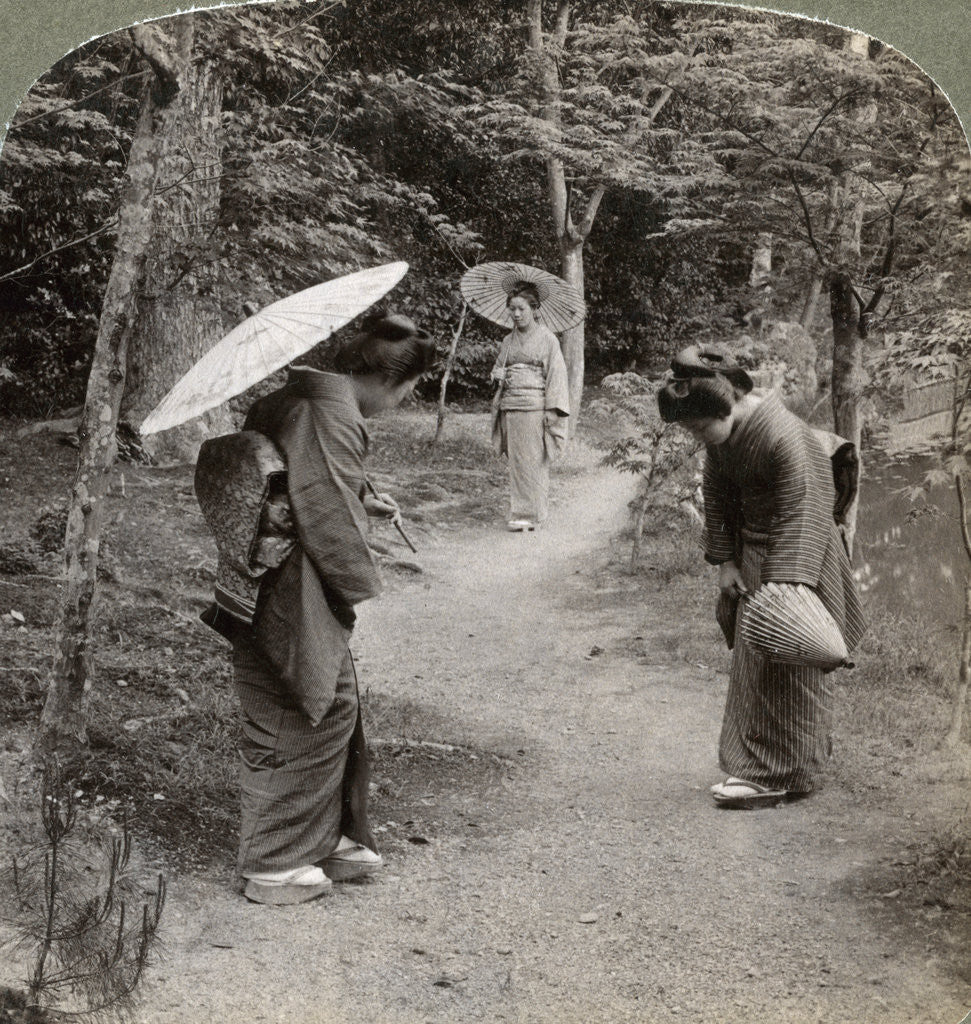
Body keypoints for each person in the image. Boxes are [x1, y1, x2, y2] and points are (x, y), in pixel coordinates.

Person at [195, 313, 435, 903]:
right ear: (390, 379)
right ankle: (274, 862)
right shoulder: (329, 413)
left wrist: (360, 499)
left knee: (330, 699)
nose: (403, 401)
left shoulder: (288, 398)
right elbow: (324, 513)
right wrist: (355, 579)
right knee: (304, 705)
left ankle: (324, 838)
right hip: (289, 578)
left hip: (262, 570)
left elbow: (297, 482)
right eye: (408, 390)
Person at [657, 345, 866, 809]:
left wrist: (785, 590)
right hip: (753, 555)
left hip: (801, 561)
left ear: (725, 405)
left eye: (699, 426)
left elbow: (805, 512)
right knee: (754, 667)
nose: (697, 436)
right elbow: (716, 496)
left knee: (792, 665)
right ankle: (755, 767)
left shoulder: (787, 436)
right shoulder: (723, 439)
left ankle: (791, 772)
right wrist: (726, 562)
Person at [490, 282, 570, 531]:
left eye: (521, 309)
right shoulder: (507, 340)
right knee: (517, 462)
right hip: (511, 406)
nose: (516, 314)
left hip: (535, 407)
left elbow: (556, 374)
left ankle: (532, 513)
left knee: (534, 461)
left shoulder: (548, 339)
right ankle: (520, 511)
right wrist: (497, 374)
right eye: (512, 309)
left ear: (534, 309)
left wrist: (552, 409)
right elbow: (497, 369)